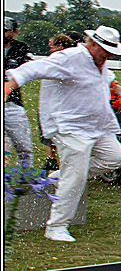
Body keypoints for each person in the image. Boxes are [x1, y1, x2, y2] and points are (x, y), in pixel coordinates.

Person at [4, 25, 121, 242]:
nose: (108, 55)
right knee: (76, 176)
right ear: (92, 44)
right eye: (105, 50)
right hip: (68, 125)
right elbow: (34, 69)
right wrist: (9, 87)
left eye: (111, 51)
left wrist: (116, 87)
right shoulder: (69, 58)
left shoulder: (100, 62)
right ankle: (56, 227)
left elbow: (105, 77)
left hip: (97, 124)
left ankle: (59, 177)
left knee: (116, 158)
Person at [38, 34, 79, 170]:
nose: (50, 48)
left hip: (57, 108)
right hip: (56, 106)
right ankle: (55, 162)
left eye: (52, 45)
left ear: (60, 46)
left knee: (61, 140)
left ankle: (63, 168)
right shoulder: (68, 60)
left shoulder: (60, 61)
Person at [3, 18, 34, 167]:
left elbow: (28, 71)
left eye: (6, 30)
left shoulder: (21, 48)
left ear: (15, 32)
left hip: (12, 104)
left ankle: (25, 181)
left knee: (24, 147)